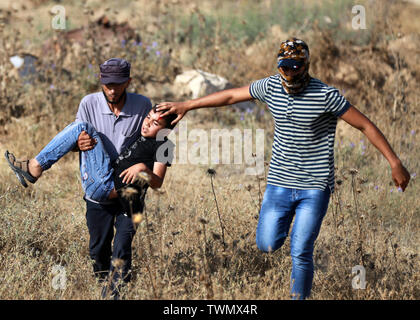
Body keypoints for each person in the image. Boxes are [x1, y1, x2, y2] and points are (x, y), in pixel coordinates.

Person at [156, 38, 411, 299]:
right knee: (266, 244)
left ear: (306, 65)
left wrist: (395, 162)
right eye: (284, 67)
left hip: (315, 186)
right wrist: (187, 105)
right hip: (279, 183)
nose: (289, 72)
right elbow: (231, 95)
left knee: (300, 251)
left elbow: (365, 125)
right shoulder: (270, 86)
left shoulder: (325, 95)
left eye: (295, 66)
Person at [5, 106, 176, 298]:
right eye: (147, 117)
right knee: (98, 248)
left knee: (122, 249)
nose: (147, 124)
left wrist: (143, 169)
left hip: (117, 195)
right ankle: (103, 281)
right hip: (103, 184)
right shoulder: (139, 132)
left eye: (155, 123)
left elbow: (158, 182)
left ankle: (113, 293)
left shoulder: (165, 145)